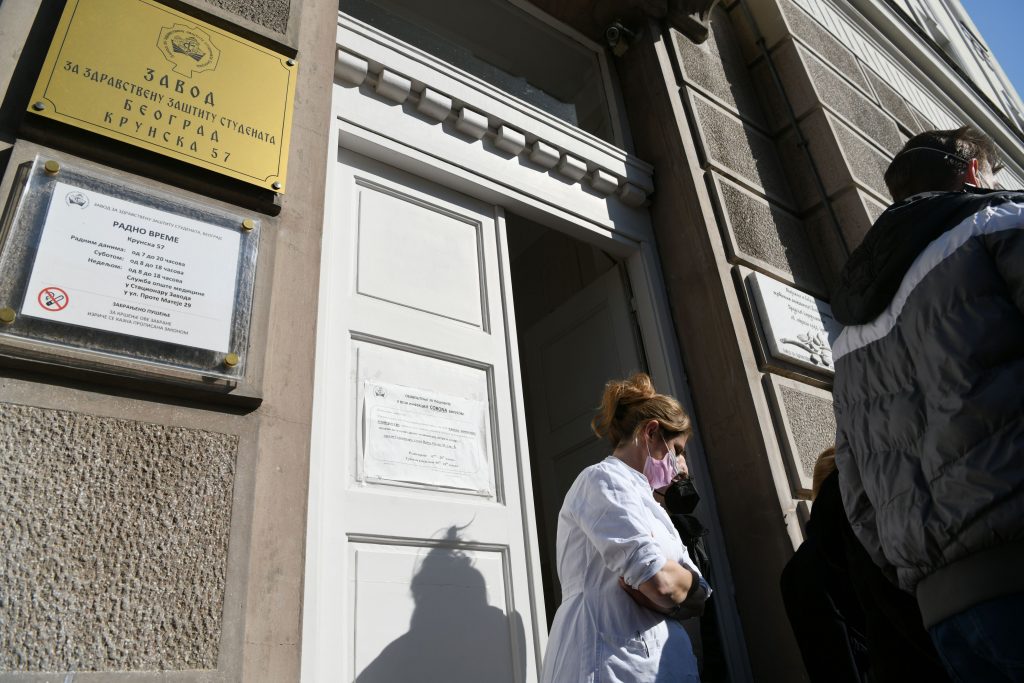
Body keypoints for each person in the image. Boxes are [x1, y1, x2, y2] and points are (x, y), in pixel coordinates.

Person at [830, 125, 1024, 681]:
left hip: (948, 611)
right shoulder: (998, 225)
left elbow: (856, 492)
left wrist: (916, 571)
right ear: (971, 173)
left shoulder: (851, 333)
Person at [540, 373, 710, 683]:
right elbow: (661, 583)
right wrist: (672, 589)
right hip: (607, 663)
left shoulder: (652, 506)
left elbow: (698, 598)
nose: (682, 466)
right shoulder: (602, 481)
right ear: (652, 432)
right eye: (678, 449)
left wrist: (674, 591)